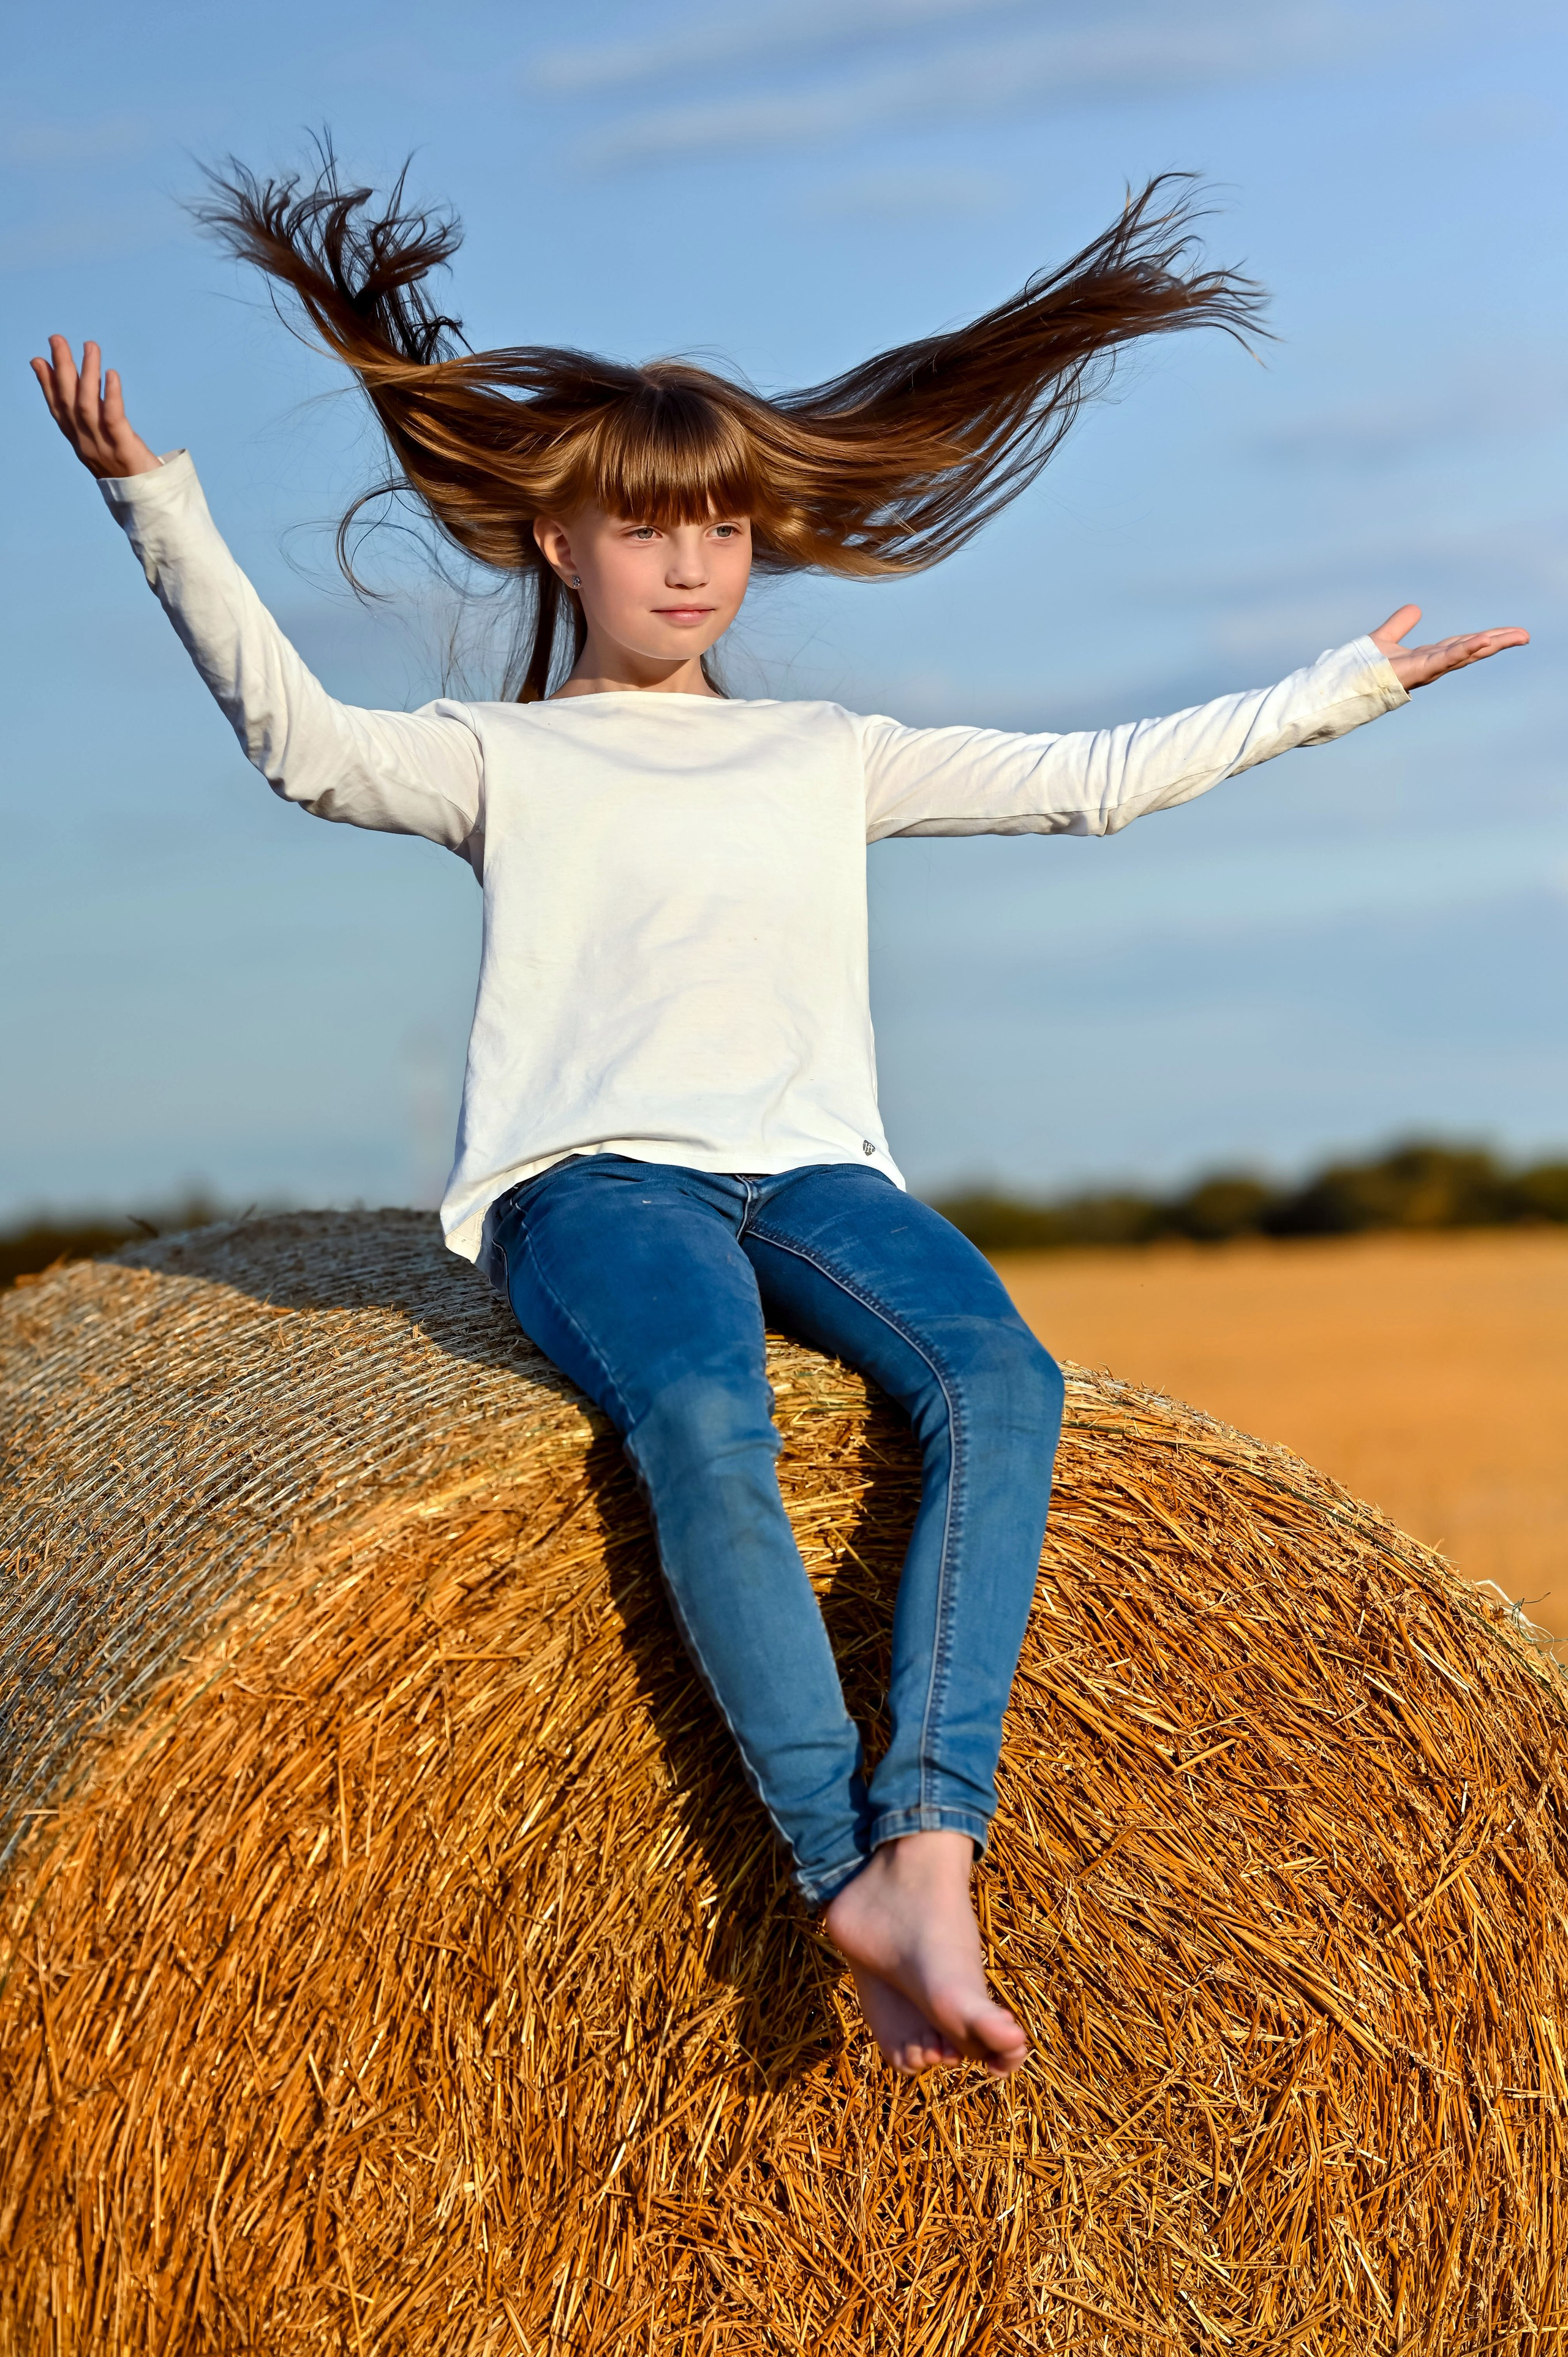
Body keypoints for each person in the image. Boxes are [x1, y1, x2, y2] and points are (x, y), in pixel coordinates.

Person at [31, 159, 1526, 2081]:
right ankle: (844, 1865)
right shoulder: (506, 754)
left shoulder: (832, 753)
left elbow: (1093, 779)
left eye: (723, 526)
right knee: (708, 1416)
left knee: (1004, 1382)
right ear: (552, 544)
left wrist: (1337, 694)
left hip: (816, 1170)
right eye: (645, 526)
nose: (690, 562)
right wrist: (155, 505)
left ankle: (932, 1833)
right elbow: (302, 747)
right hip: (599, 1185)